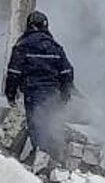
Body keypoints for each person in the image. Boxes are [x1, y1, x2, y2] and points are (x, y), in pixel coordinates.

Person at [4, 11, 76, 158]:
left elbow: (13, 72)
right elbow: (67, 72)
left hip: (33, 92)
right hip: (53, 93)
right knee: (50, 123)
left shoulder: (22, 46)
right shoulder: (55, 46)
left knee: (36, 124)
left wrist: (10, 93)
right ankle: (51, 157)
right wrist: (65, 94)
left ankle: (41, 155)